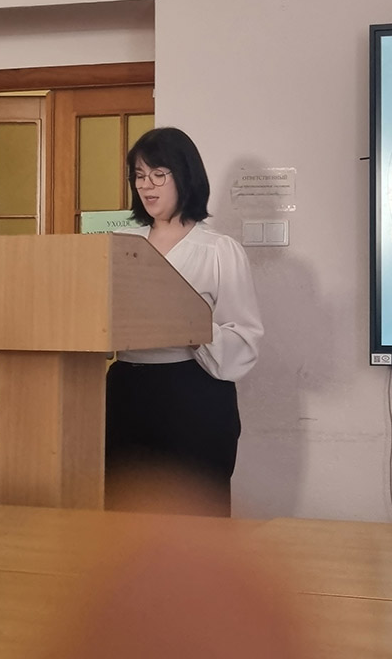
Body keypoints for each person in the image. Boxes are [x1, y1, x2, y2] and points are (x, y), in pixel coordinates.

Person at [106, 127, 263, 516]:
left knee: (196, 518)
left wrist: (186, 324)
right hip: (125, 390)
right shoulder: (119, 244)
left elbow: (244, 337)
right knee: (126, 516)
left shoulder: (218, 250)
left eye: (158, 174)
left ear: (185, 175)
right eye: (139, 175)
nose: (146, 185)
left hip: (192, 392)